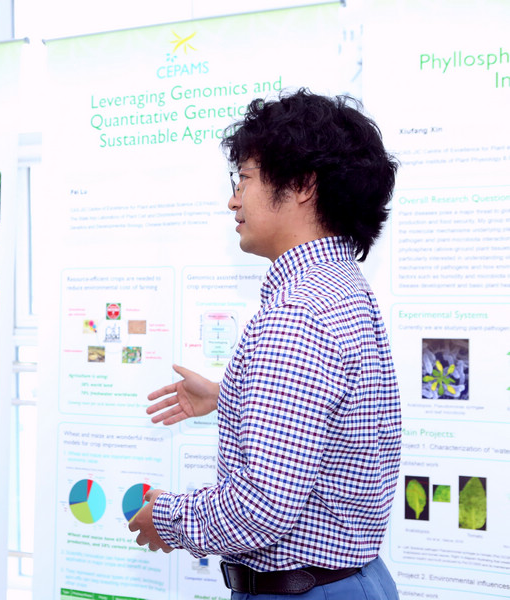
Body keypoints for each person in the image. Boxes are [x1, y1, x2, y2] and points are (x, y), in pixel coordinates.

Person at [128, 89, 402, 599]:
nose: (233, 200)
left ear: (302, 185)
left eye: (245, 179)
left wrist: (166, 517)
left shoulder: (297, 314)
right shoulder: (340, 287)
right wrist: (233, 395)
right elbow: (337, 417)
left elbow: (260, 509)